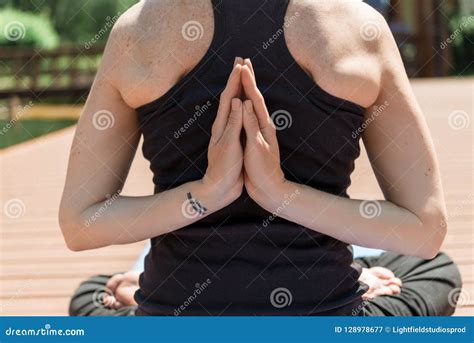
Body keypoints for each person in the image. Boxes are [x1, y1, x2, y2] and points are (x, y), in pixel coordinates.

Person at [59, 0, 462, 316]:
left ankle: (135, 292)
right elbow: (425, 231)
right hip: (328, 313)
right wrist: (278, 193)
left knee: (93, 294)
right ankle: (355, 277)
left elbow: (80, 224)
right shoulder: (360, 26)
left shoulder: (135, 31)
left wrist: (208, 193)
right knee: (434, 270)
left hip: (173, 315)